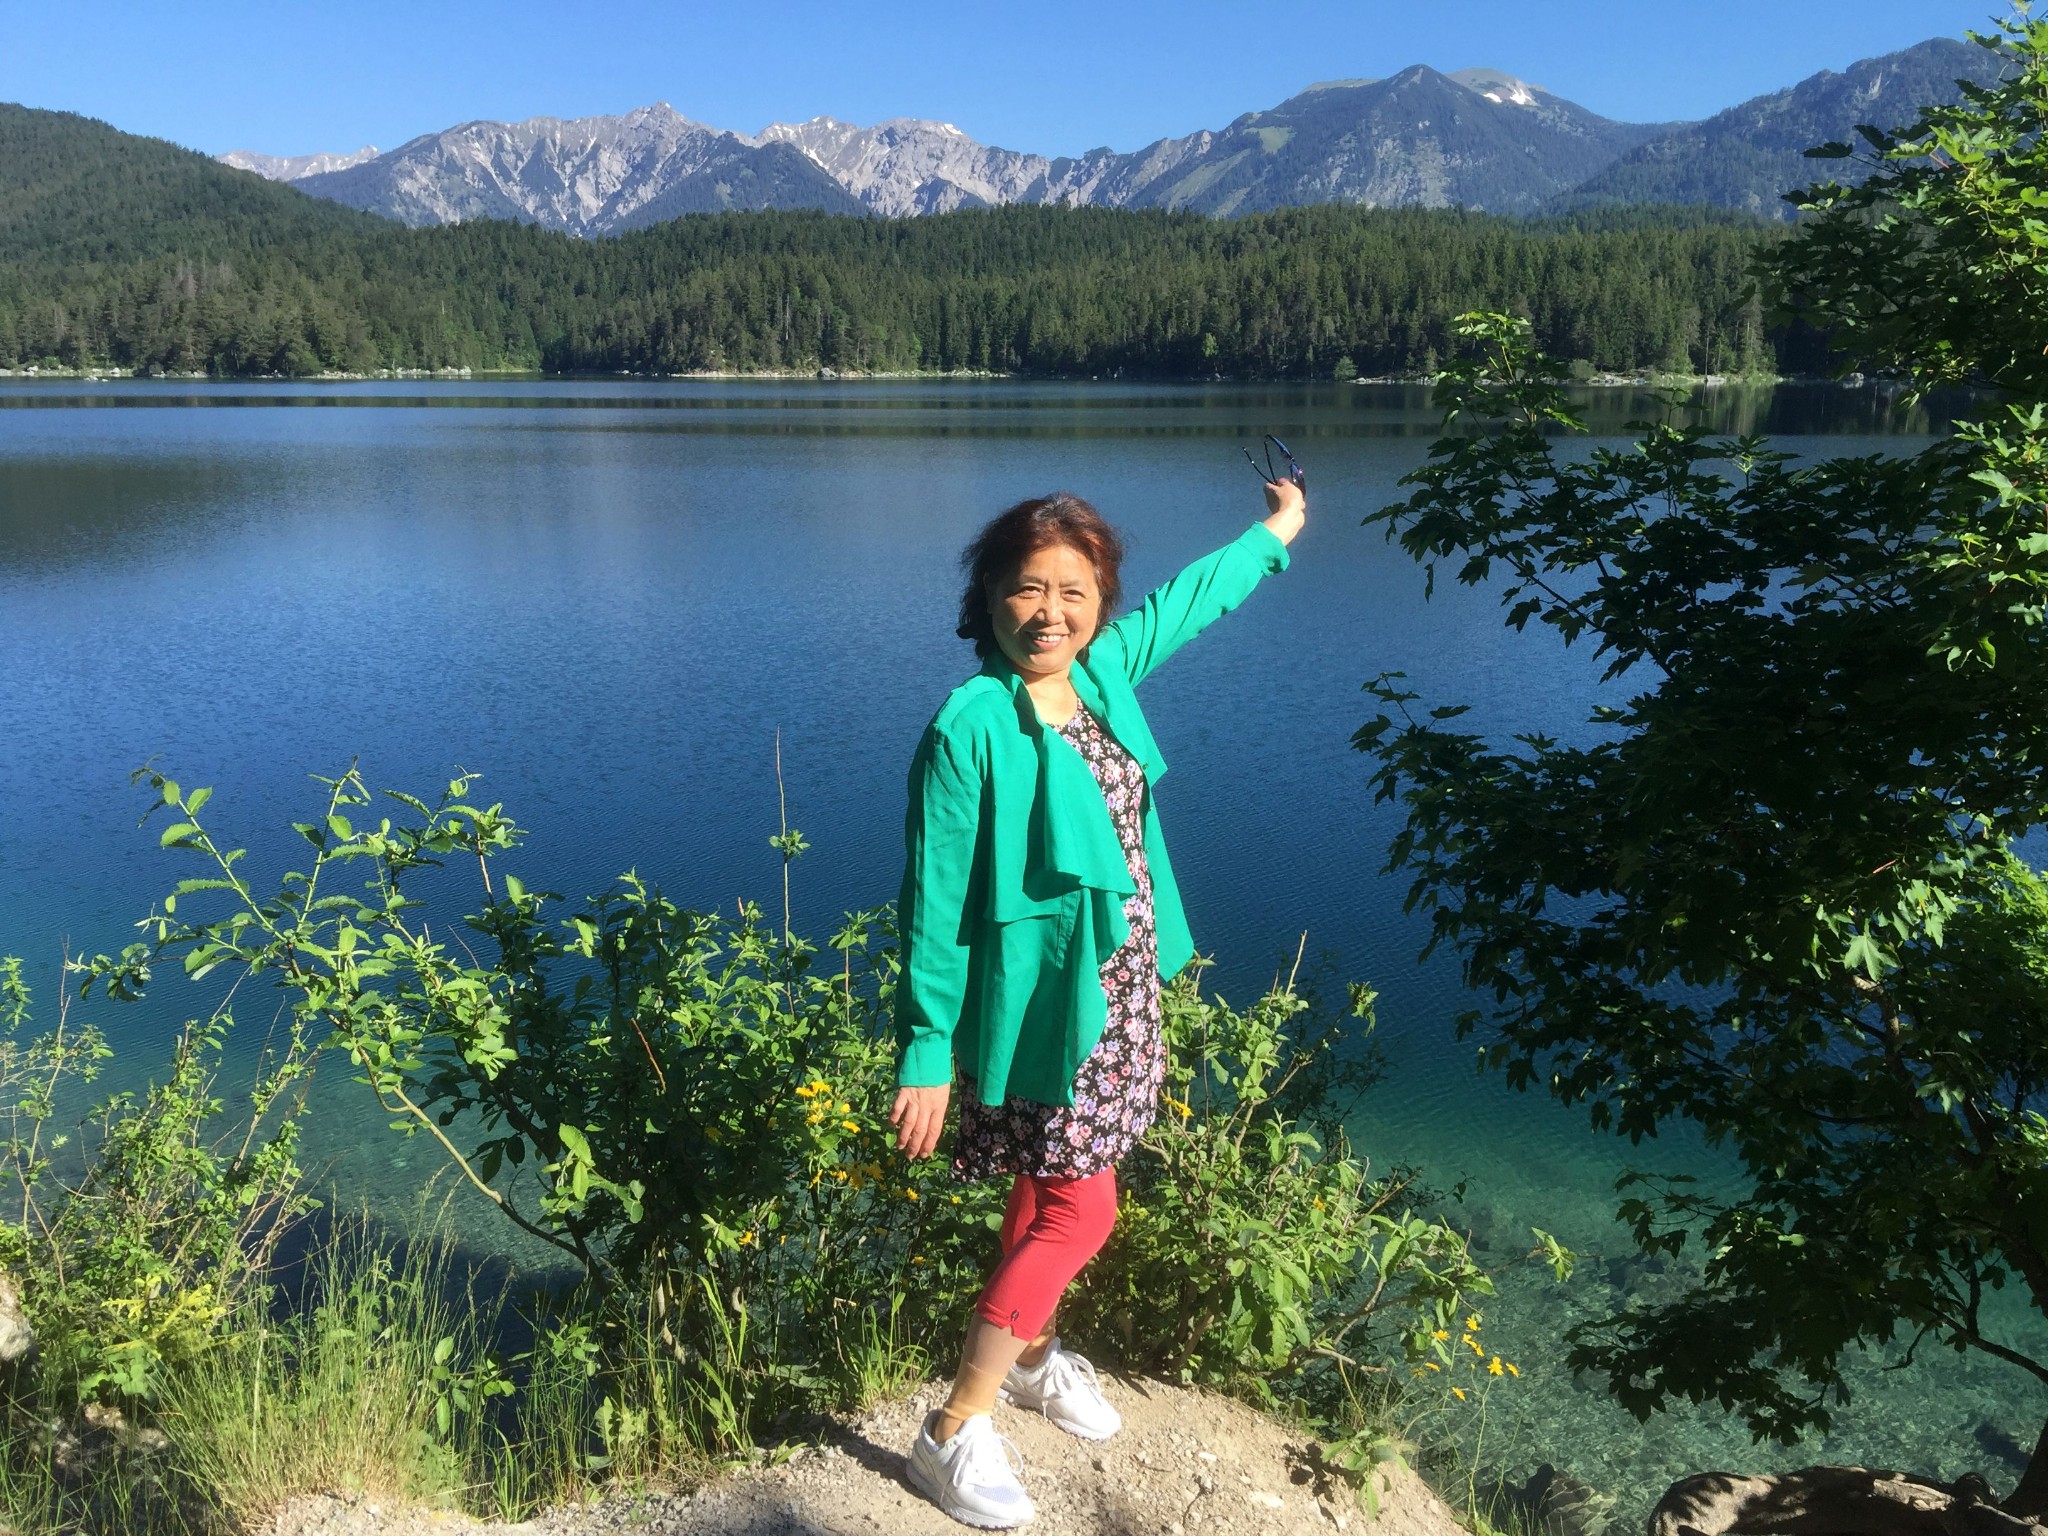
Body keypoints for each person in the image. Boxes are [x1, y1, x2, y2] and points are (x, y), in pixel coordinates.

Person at [888, 472, 1307, 1528]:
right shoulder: (970, 726)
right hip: (1038, 1007)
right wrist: (926, 1048)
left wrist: (1276, 529)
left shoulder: (1103, 672)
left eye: (1073, 592)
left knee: (1049, 1185)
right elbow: (932, 902)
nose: (1049, 613)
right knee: (1084, 1209)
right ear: (989, 596)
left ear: (1098, 603)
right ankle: (952, 1429)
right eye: (1027, 589)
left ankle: (1033, 1357)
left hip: (1116, 992)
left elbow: (1188, 601)